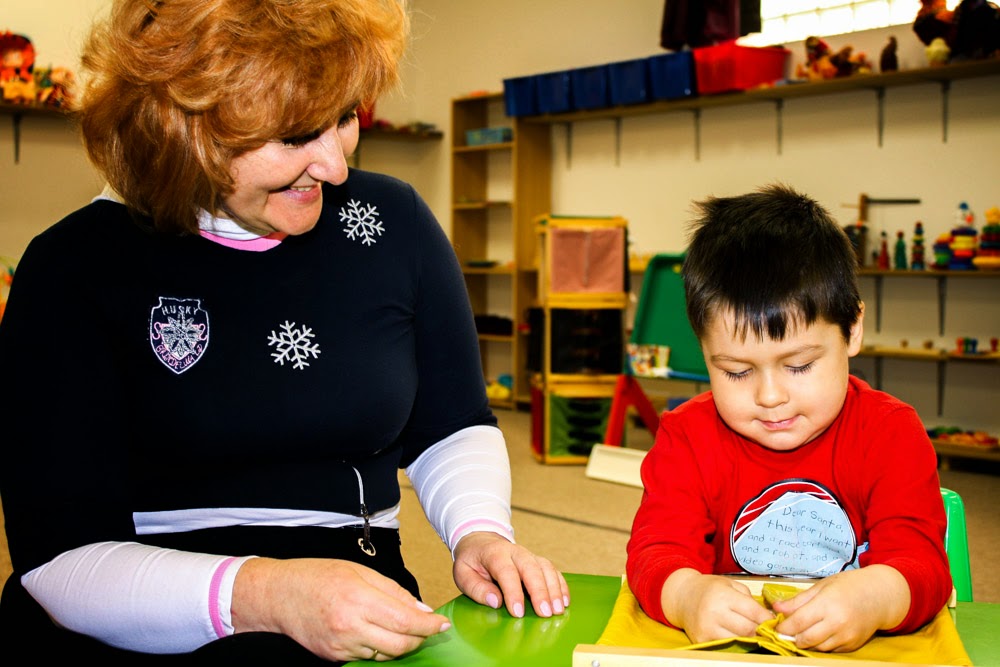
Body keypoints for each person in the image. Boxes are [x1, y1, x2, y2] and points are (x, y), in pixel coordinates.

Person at [0, 0, 569, 663]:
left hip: (355, 602)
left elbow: (452, 424)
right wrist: (268, 593)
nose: (335, 166)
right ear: (180, 128)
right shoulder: (76, 266)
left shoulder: (394, 223)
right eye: (297, 135)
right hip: (143, 617)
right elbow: (59, 560)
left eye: (346, 117)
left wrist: (480, 532)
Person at [626, 184, 951, 653]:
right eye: (735, 371)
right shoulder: (687, 436)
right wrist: (686, 595)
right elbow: (655, 552)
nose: (771, 396)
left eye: (799, 365)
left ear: (852, 329)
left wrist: (875, 597)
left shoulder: (890, 433)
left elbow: (922, 564)